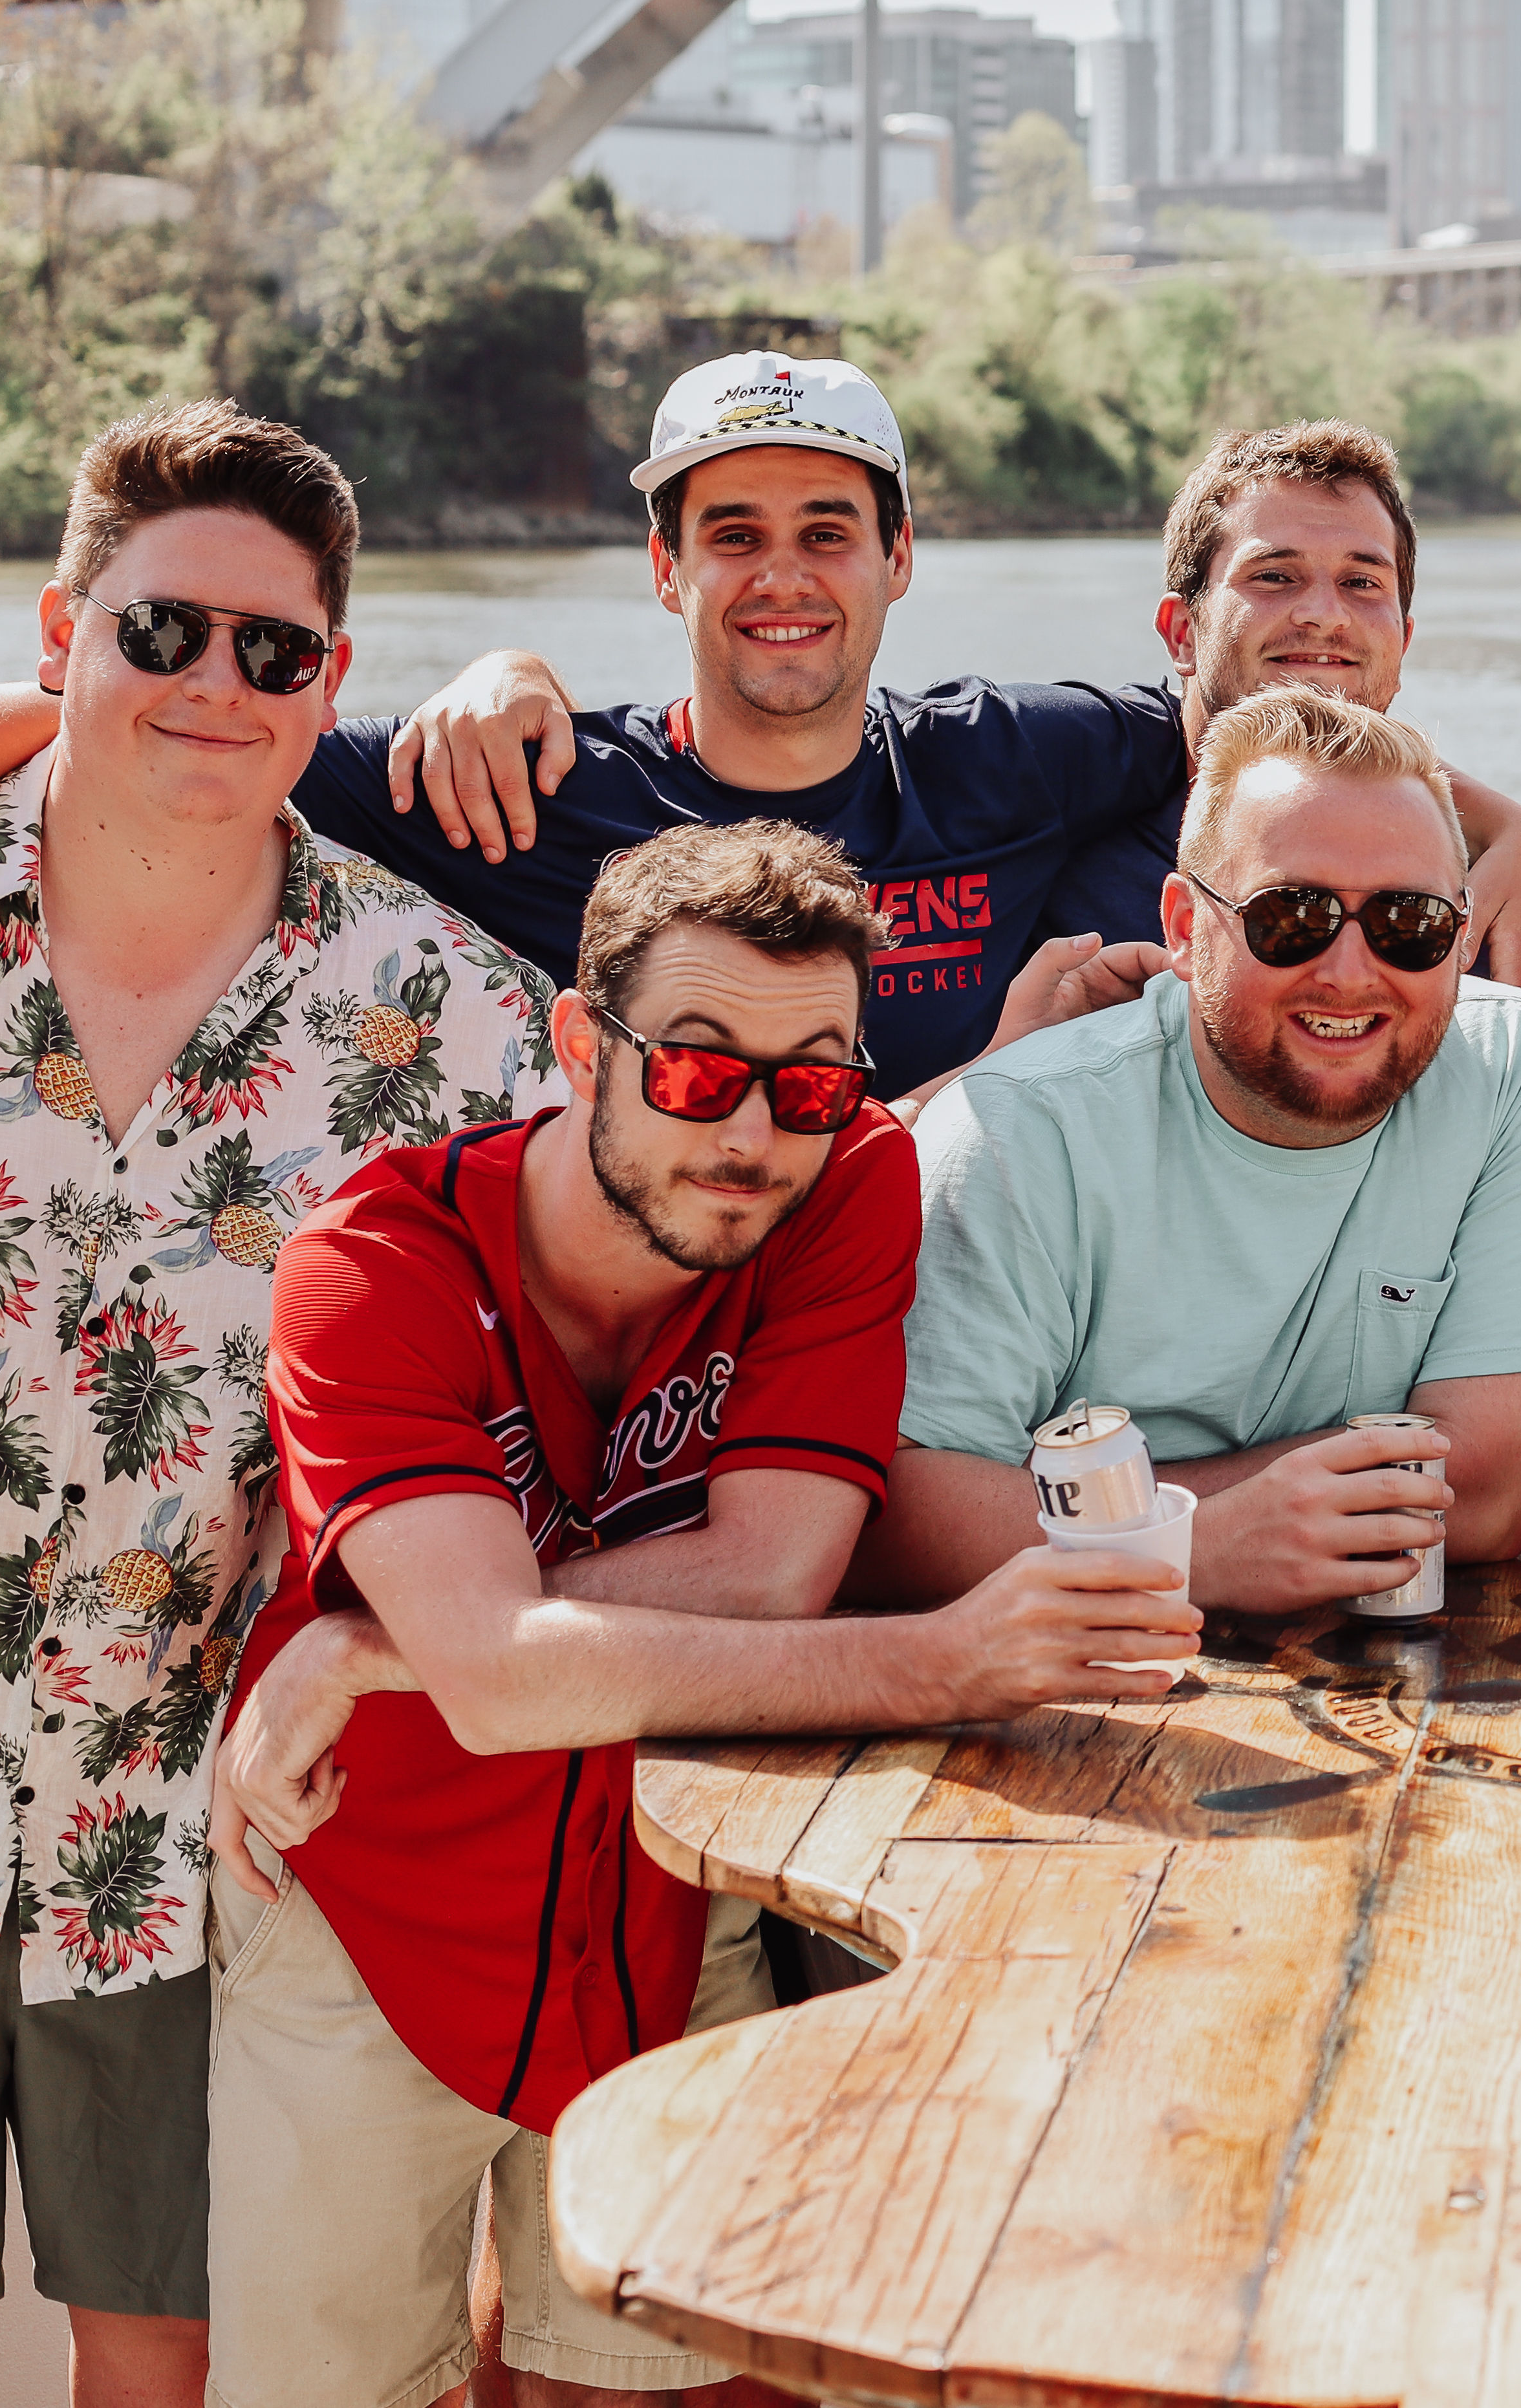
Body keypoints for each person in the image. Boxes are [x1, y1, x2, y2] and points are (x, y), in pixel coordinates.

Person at [204, 822, 1196, 2408]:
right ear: (579, 1043)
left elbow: (771, 1574)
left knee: (659, 2389)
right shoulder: (373, 1266)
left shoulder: (844, 1176)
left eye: (807, 1079)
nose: (749, 1132)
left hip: (664, 1894)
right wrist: (938, 1659)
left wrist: (370, 1648)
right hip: (372, 1903)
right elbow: (496, 1684)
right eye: (693, 1071)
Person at [0, 403, 561, 2407]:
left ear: (331, 680)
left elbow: (576, 1399)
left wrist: (379, 1636)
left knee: (171, 2367)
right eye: (160, 634)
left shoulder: (463, 1022)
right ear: (60, 629)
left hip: (203, 1819)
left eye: (275, 649)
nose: (214, 684)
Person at [0, 367, 1521, 1101]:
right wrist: (497, 668)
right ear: (665, 571)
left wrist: (1517, 834)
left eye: (826, 531)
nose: (783, 578)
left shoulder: (1012, 755)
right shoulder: (517, 781)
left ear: (897, 563)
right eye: (732, 535)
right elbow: (173, 718)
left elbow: (1268, 724)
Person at [866, 687, 1521, 1613]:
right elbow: (895, 1511)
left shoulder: (1518, 1070)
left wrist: (1107, 1514)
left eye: (1409, 924)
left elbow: (1491, 1496)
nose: (1349, 971)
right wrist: (1195, 1546)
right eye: (1289, 917)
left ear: (1462, 934)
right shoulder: (1019, 1127)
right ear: (1183, 927)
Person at [1034, 419, 1521, 978]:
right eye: (1275, 576)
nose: (1324, 614)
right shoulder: (1042, 799)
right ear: (1183, 633)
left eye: (1361, 582)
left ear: (1402, 644)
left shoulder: (1480, 891)